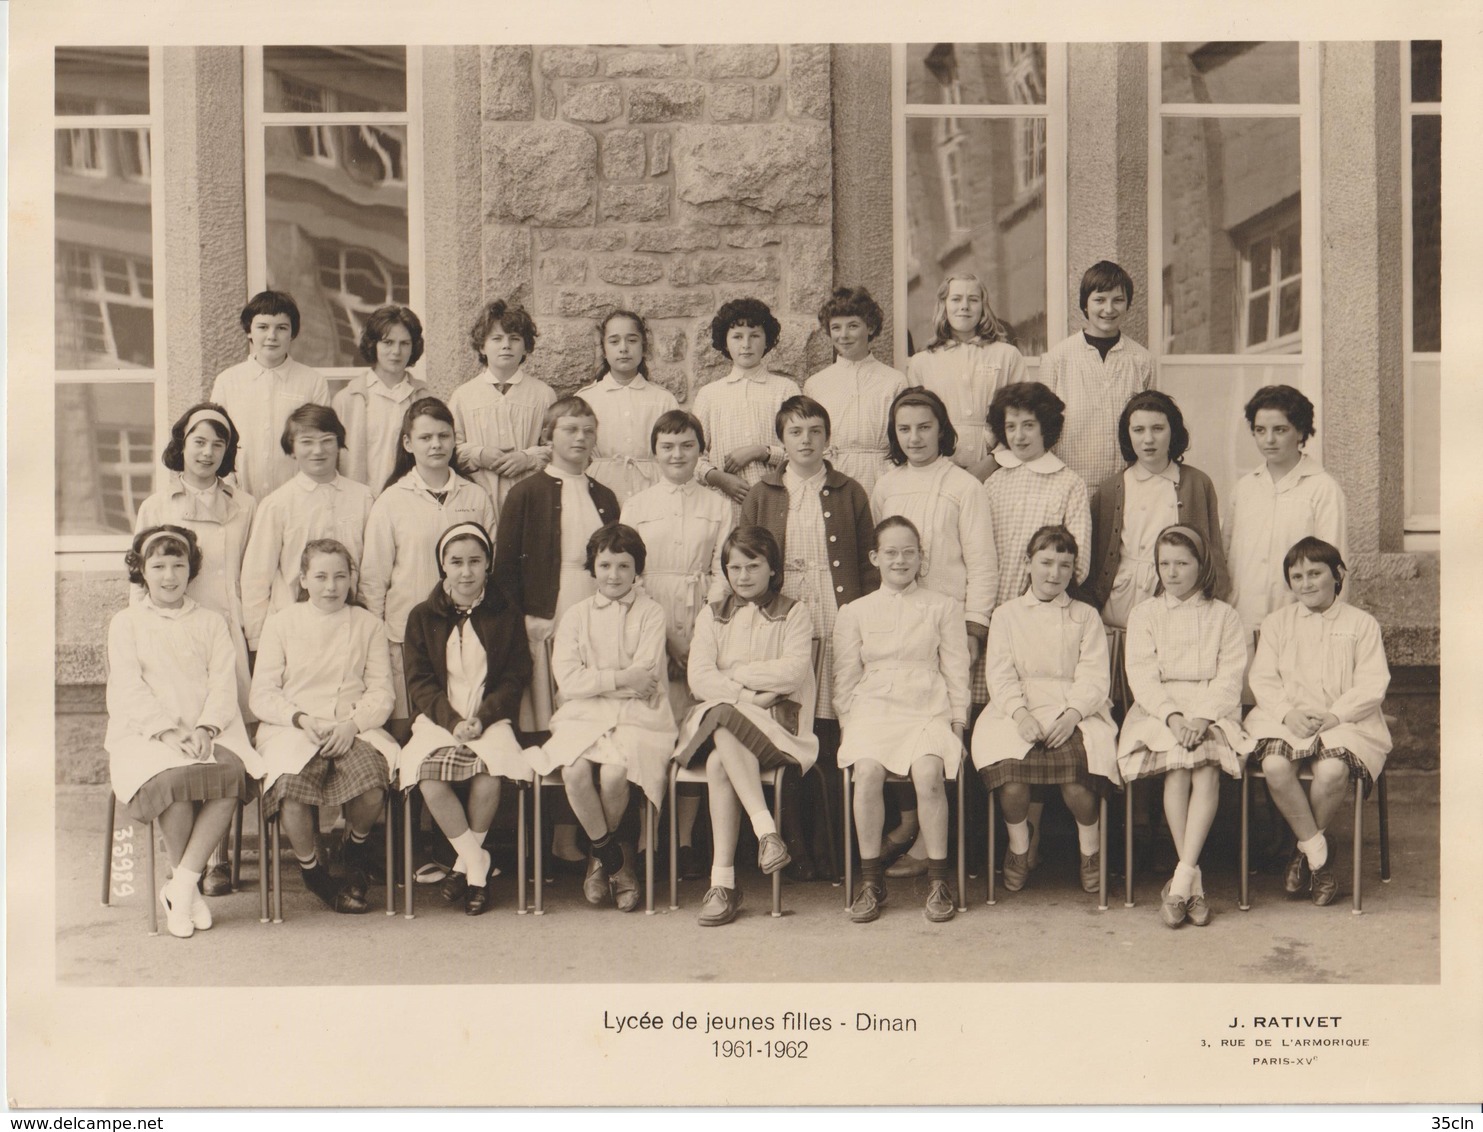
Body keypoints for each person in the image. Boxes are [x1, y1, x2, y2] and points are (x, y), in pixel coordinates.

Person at [104, 526, 264, 939]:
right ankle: (188, 890)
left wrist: (207, 727)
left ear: (191, 569)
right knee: (176, 780)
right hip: (146, 735)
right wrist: (167, 732)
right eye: (158, 566)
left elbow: (222, 683)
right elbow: (128, 687)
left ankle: (181, 886)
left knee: (229, 776)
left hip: (208, 729)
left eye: (179, 565)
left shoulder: (211, 622)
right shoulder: (126, 623)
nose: (169, 575)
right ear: (141, 570)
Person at [869, 387, 996, 876]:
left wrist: (974, 626)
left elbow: (983, 563)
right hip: (899, 622)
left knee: (941, 725)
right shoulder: (886, 485)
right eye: (904, 429)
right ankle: (909, 827)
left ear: (942, 429)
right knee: (899, 718)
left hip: (948, 620)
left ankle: (932, 847)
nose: (915, 437)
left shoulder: (964, 486)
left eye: (924, 427)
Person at [495, 395, 620, 869]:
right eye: (570, 429)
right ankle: (549, 841)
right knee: (552, 724)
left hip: (595, 610)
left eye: (588, 429)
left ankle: (580, 834)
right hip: (547, 614)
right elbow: (506, 567)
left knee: (587, 722)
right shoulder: (527, 491)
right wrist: (525, 618)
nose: (580, 438)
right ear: (549, 435)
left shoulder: (604, 495)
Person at [673, 527, 819, 926]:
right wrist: (752, 695)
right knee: (722, 720)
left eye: (753, 565)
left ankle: (722, 884)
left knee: (721, 750)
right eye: (733, 567)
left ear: (772, 569)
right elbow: (699, 678)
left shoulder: (794, 612)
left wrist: (733, 675)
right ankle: (767, 834)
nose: (743, 576)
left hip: (778, 730)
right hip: (743, 714)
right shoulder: (712, 614)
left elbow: (791, 673)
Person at [529, 524, 677, 911]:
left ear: (637, 570)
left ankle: (600, 859)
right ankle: (614, 860)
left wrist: (602, 682)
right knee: (575, 770)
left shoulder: (651, 613)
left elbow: (645, 678)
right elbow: (569, 681)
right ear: (593, 567)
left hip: (638, 716)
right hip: (582, 714)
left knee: (615, 773)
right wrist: (620, 678)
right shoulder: (576, 615)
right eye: (605, 564)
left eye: (623, 566)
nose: (613, 575)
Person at [249, 540, 399, 915]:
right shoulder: (281, 624)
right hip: (293, 728)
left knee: (371, 781)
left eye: (340, 577)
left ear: (351, 579)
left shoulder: (368, 625)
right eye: (320, 577)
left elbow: (382, 691)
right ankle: (313, 871)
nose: (331, 587)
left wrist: (353, 724)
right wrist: (301, 719)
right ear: (303, 579)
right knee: (291, 789)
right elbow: (262, 694)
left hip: (353, 725)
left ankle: (355, 847)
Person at [1116, 526, 1253, 928]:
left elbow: (1230, 676)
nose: (1172, 573)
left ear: (1201, 565)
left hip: (1211, 709)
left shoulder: (1224, 615)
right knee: (1177, 771)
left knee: (1206, 770)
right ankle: (1192, 881)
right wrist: (1174, 718)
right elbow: (1141, 675)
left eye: (1182, 563)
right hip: (1160, 711)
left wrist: (1202, 718)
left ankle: (1180, 882)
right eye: (1164, 564)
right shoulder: (1145, 614)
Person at [834, 516, 969, 923]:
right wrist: (850, 731)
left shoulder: (943, 607)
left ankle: (938, 880)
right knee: (868, 773)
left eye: (909, 552)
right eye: (890, 552)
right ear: (875, 557)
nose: (900, 560)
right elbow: (845, 678)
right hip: (872, 711)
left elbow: (956, 671)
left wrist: (957, 725)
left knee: (929, 775)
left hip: (927, 707)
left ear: (921, 558)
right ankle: (871, 881)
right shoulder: (855, 611)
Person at [1244, 537, 1391, 907]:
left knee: (1331, 774)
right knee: (1276, 765)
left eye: (1315, 573)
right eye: (1297, 576)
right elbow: (1262, 679)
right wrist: (1287, 713)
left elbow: (1373, 682)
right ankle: (1320, 859)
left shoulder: (1361, 624)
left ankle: (1302, 853)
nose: (1306, 583)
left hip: (1344, 719)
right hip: (1285, 717)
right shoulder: (1277, 623)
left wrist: (1334, 715)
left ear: (1337, 574)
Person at [972, 525, 1118, 897]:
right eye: (1046, 562)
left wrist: (1072, 715)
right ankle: (1020, 848)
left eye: (1064, 565)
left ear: (1073, 571)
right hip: (1016, 709)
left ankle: (1090, 852)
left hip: (1076, 710)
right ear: (1028, 563)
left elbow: (1095, 676)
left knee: (1077, 779)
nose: (1054, 574)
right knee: (1013, 777)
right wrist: (1020, 715)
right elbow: (1000, 674)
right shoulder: (1006, 615)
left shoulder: (1085, 616)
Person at [620, 410, 733, 877]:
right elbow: (629, 571)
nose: (677, 455)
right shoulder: (638, 504)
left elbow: (723, 571)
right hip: (648, 615)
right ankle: (648, 840)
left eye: (687, 445)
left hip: (702, 613)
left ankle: (684, 842)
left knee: (691, 729)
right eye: (667, 446)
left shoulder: (719, 504)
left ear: (699, 449)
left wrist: (700, 632)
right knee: (653, 727)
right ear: (655, 452)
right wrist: (664, 635)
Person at [400, 522, 533, 916]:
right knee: (428, 776)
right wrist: (453, 721)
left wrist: (483, 717)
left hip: (489, 719)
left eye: (475, 561)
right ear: (443, 565)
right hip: (438, 720)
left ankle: (464, 867)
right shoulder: (422, 616)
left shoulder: (506, 613)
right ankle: (476, 863)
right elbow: (419, 683)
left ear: (488, 564)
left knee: (489, 774)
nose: (466, 571)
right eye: (456, 562)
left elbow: (514, 678)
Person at [360, 397, 496, 732]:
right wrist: (378, 641)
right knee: (413, 730)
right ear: (408, 443)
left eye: (444, 435)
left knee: (462, 727)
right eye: (425, 437)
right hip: (408, 635)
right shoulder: (391, 501)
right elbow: (374, 579)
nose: (436, 444)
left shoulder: (475, 496)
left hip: (466, 635)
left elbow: (492, 568)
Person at [134, 403, 256, 717]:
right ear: (182, 444)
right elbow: (139, 579)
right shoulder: (156, 505)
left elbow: (255, 573)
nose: (207, 453)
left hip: (228, 629)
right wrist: (139, 628)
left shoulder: (245, 506)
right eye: (199, 442)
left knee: (228, 719)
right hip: (172, 630)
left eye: (218, 445)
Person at [240, 404, 373, 654]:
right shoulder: (277, 504)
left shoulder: (363, 498)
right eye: (306, 442)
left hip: (351, 628)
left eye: (327, 440)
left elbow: (372, 569)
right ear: (292, 448)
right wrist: (258, 642)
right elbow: (256, 578)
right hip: (294, 631)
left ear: (339, 444)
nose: (318, 450)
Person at [1224, 385, 1349, 640]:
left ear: (1300, 431)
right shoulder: (1244, 488)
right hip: (1243, 624)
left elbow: (1336, 569)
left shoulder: (1323, 489)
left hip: (1301, 627)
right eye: (1260, 430)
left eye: (1280, 430)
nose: (1268, 439)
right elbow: (1226, 556)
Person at [1040, 260, 1155, 490]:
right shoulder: (1057, 359)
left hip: (1126, 484)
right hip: (1070, 483)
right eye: (1099, 300)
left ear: (1128, 304)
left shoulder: (1141, 360)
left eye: (1118, 300)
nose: (1109, 309)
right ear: (1085, 304)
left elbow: (1151, 421)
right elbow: (1043, 427)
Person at [210, 290, 330, 500]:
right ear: (249, 331)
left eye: (281, 328)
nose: (272, 336)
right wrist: (230, 488)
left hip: (297, 498)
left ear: (292, 333)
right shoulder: (228, 381)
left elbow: (320, 443)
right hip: (238, 497)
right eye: (263, 327)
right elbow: (217, 436)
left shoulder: (312, 381)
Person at [906, 274, 1026, 480]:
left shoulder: (1007, 355)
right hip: (940, 468)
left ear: (983, 306)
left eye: (973, 299)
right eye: (956, 299)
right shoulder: (922, 362)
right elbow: (917, 420)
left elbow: (1022, 413)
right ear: (944, 305)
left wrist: (993, 460)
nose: (964, 306)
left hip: (998, 469)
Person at [449, 299, 555, 521]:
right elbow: (450, 449)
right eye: (496, 339)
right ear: (482, 346)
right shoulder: (463, 396)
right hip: (478, 497)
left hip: (530, 497)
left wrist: (527, 458)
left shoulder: (542, 394)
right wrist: (480, 455)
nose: (506, 345)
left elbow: (555, 448)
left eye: (514, 339)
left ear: (526, 346)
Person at [691, 297, 802, 508]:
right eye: (737, 337)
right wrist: (719, 478)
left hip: (776, 500)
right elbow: (694, 455)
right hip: (725, 503)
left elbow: (800, 449)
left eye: (755, 335)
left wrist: (762, 451)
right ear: (725, 342)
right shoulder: (709, 395)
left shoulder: (786, 389)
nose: (746, 345)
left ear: (767, 340)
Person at [803, 286, 907, 495]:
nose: (844, 335)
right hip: (832, 474)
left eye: (852, 326)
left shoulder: (894, 381)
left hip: (883, 474)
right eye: (836, 328)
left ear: (869, 327)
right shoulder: (816, 384)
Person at [576, 310, 679, 506]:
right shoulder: (586, 399)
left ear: (644, 347)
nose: (623, 348)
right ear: (604, 349)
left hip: (652, 489)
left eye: (632, 340)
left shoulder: (663, 399)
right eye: (614, 341)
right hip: (599, 490)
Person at [333, 305, 430, 495]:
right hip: (361, 505)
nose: (396, 351)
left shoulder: (425, 398)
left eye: (404, 343)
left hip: (411, 503)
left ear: (414, 347)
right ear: (373, 344)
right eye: (388, 342)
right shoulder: (347, 400)